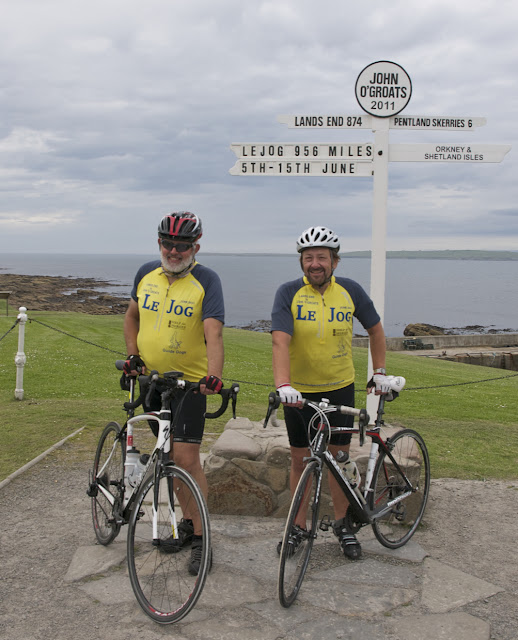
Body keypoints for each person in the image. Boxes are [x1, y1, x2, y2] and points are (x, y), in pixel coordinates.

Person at [271, 226, 389, 560]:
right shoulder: (288, 292)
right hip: (300, 394)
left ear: (334, 261)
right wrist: (283, 384)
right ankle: (296, 527)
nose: (315, 264)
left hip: (339, 388)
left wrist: (379, 372)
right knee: (300, 460)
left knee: (339, 459)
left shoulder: (350, 291)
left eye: (321, 257)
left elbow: (376, 330)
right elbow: (280, 340)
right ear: (301, 262)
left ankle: (343, 525)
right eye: (308, 257)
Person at [122, 211, 224, 575]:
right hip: (152, 383)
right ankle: (188, 524)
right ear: (159, 243)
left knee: (186, 459)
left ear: (196, 246)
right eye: (168, 243)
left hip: (188, 386)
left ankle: (202, 539)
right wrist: (133, 354)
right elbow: (132, 316)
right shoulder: (145, 274)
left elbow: (213, 332)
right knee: (169, 458)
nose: (174, 251)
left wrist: (214, 377)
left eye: (182, 245)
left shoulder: (206, 280)